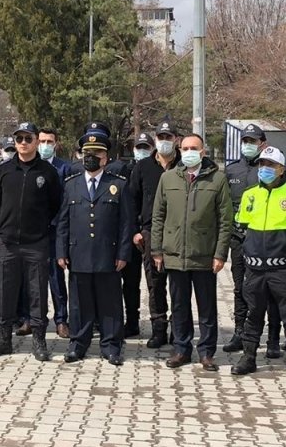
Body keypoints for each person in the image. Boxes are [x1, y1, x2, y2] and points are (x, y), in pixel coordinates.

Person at [151, 132, 233, 371]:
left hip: (204, 256)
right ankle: (181, 349)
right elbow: (158, 216)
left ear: (203, 152)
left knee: (206, 307)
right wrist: (157, 250)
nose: (188, 152)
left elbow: (225, 220)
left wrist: (220, 254)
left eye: (193, 148)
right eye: (185, 148)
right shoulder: (168, 179)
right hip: (174, 255)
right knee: (179, 306)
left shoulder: (217, 180)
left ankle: (207, 352)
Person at [55, 128, 133, 365]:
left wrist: (123, 253)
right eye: (87, 152)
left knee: (109, 303)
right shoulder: (71, 184)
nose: (91, 157)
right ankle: (78, 344)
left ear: (105, 157)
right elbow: (63, 221)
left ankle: (111, 346)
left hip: (107, 254)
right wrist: (61, 251)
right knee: (79, 304)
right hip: (78, 253)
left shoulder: (117, 185)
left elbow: (126, 223)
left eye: (97, 153)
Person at [228, 145, 286, 381]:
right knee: (254, 315)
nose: (265, 169)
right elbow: (241, 229)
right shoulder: (251, 194)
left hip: (283, 269)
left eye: (271, 165)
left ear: (281, 169)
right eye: (262, 164)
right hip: (254, 269)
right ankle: (249, 357)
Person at [0, 122, 62, 360]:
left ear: (36, 141)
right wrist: (0, 230)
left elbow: (55, 205)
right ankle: (4, 339)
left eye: (28, 138)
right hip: (8, 243)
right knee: (5, 291)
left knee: (38, 292)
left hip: (36, 243)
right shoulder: (4, 171)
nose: (23, 143)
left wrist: (40, 227)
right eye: (19, 139)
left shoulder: (47, 172)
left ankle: (39, 340)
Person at [130, 125, 182, 349]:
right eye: (160, 137)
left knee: (179, 285)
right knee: (155, 284)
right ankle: (158, 329)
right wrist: (135, 231)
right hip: (151, 233)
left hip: (180, 233)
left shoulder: (184, 165)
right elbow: (132, 200)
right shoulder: (143, 167)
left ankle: (178, 330)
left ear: (176, 139)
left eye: (168, 137)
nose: (164, 140)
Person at [223, 123, 266, 352]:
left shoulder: (269, 168)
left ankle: (266, 336)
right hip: (238, 239)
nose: (248, 145)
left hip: (262, 240)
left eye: (253, 141)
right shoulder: (231, 171)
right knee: (240, 288)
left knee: (261, 289)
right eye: (245, 141)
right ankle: (240, 332)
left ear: (262, 144)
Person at [38, 127, 73, 338]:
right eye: (42, 141)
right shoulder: (31, 165)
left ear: (56, 144)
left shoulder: (64, 168)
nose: (45, 145)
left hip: (54, 231)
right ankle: (31, 319)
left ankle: (61, 320)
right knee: (31, 279)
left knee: (56, 278)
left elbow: (66, 201)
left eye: (49, 141)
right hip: (33, 232)